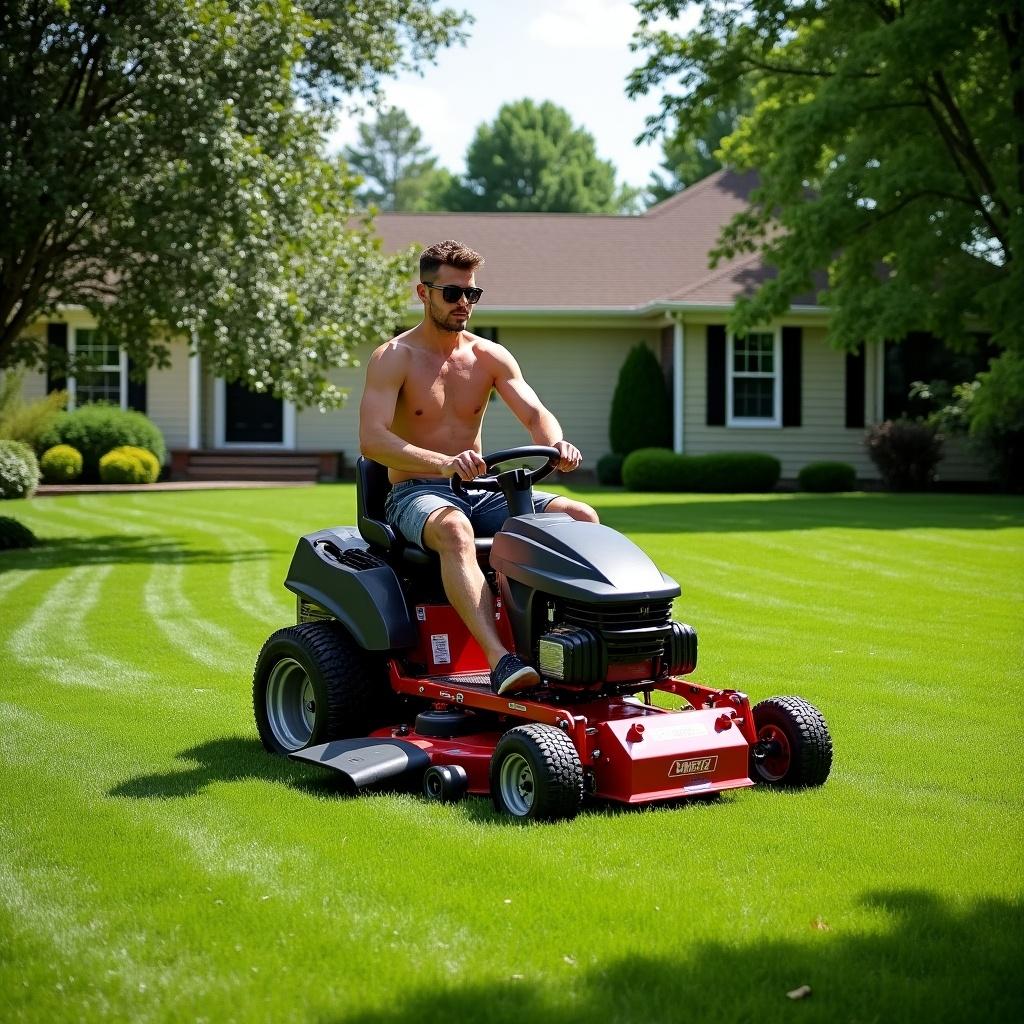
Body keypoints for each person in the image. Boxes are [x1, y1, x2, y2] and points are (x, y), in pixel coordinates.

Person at [359, 239, 599, 695]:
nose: (464, 303)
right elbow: (372, 441)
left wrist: (555, 445)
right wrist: (444, 462)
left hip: (480, 489)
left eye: (472, 294)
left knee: (580, 518)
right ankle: (501, 659)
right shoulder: (394, 358)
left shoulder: (489, 356)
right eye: (452, 294)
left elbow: (535, 414)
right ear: (422, 293)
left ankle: (570, 647)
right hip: (416, 492)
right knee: (455, 532)